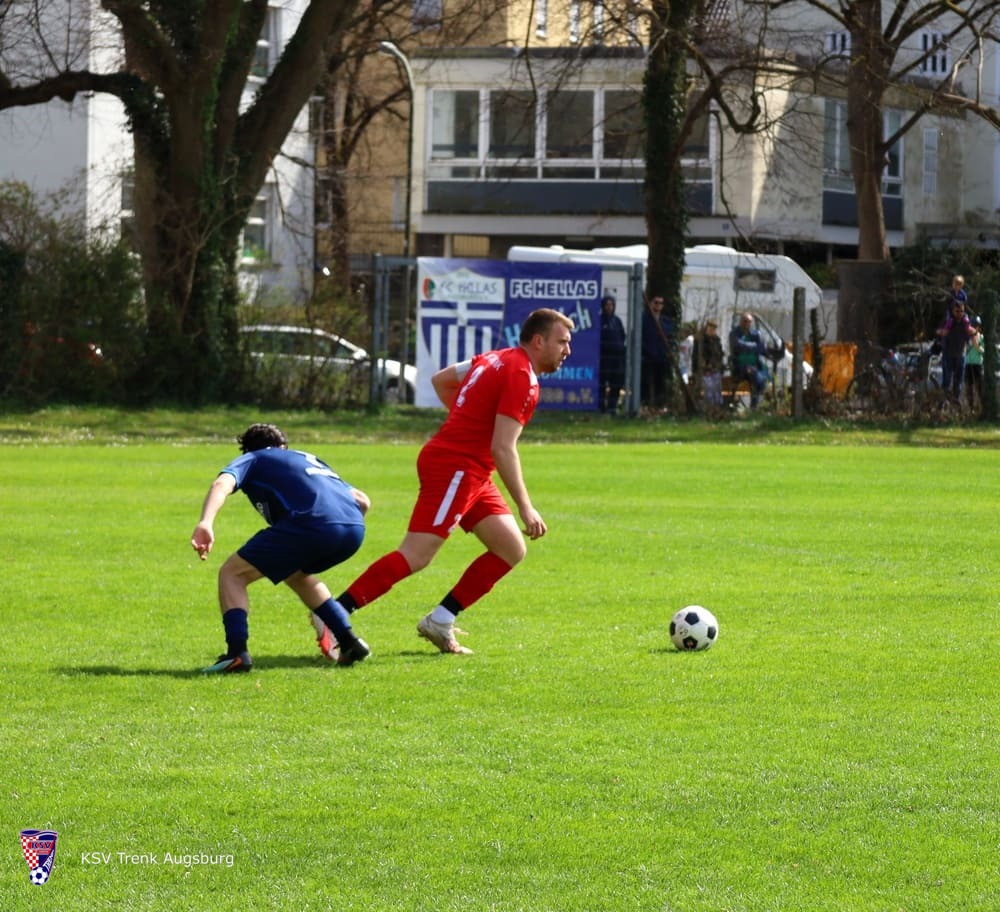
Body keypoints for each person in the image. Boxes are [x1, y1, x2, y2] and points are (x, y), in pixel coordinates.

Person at [316, 308, 573, 656]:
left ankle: (440, 620)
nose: (567, 350)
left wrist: (468, 420)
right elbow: (503, 447)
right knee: (417, 554)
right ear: (539, 341)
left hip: (471, 470)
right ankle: (333, 614)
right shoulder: (523, 377)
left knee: (510, 548)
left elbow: (441, 379)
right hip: (457, 467)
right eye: (562, 342)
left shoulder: (495, 358)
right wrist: (526, 507)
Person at [190, 423, 372, 673]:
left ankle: (236, 654)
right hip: (354, 529)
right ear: (283, 446)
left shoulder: (253, 459)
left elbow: (220, 485)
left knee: (232, 573)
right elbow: (363, 500)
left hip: (311, 524)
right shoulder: (308, 458)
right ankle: (350, 641)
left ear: (247, 450)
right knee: (295, 573)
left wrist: (205, 522)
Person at [937, 298, 975, 399]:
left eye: (962, 311)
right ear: (953, 310)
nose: (960, 313)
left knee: (958, 382)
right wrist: (942, 332)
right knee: (947, 381)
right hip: (948, 355)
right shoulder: (947, 320)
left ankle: (956, 402)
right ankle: (944, 402)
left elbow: (972, 333)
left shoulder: (965, 322)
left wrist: (973, 333)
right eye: (957, 311)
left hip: (961, 355)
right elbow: (938, 331)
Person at [729, 312, 767, 408]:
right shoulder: (734, 333)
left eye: (749, 322)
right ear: (740, 321)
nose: (747, 324)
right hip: (739, 367)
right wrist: (754, 345)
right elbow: (738, 345)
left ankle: (754, 406)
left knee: (761, 378)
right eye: (745, 321)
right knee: (752, 373)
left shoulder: (756, 334)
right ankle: (753, 407)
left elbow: (762, 348)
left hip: (754, 366)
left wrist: (748, 346)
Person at [641, 296, 673, 410]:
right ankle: (644, 405)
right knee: (645, 383)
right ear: (651, 303)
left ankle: (659, 406)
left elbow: (671, 338)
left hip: (661, 357)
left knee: (660, 383)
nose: (658, 305)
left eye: (660, 303)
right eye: (656, 302)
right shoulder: (643, 319)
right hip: (647, 357)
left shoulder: (666, 321)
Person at [599, 294, 627, 413]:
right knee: (601, 384)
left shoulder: (617, 321)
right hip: (603, 357)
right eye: (607, 305)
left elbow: (622, 336)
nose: (609, 307)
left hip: (617, 358)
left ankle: (612, 407)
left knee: (616, 383)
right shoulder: (599, 320)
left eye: (611, 305)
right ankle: (601, 406)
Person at [692, 319, 725, 407]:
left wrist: (719, 366)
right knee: (708, 389)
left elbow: (719, 355)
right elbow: (697, 357)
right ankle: (709, 408)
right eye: (710, 328)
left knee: (717, 390)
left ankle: (717, 408)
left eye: (714, 329)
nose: (712, 330)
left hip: (715, 369)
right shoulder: (700, 340)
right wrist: (705, 367)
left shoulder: (716, 340)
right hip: (704, 370)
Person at [964, 316, 985, 409]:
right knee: (969, 387)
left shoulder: (981, 337)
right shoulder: (967, 338)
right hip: (968, 364)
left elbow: (983, 351)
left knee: (979, 386)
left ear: (978, 327)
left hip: (978, 364)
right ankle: (970, 407)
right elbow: (964, 350)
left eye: (975, 326)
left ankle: (982, 406)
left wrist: (976, 344)